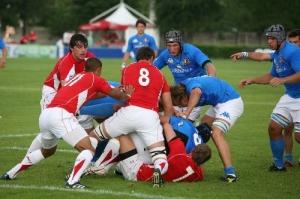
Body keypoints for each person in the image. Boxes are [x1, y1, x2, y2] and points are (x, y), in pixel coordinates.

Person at [1, 58, 131, 189]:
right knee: (89, 148)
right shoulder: (95, 78)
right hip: (61, 115)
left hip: (46, 115)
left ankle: (11, 173)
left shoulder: (78, 76)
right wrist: (127, 94)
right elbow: (118, 95)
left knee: (47, 151)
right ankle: (72, 182)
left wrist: (108, 93)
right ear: (98, 70)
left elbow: (93, 95)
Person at [89, 47, 174, 186]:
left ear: (137, 57)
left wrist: (120, 107)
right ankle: (158, 170)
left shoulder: (127, 69)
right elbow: (169, 106)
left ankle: (90, 165)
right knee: (159, 155)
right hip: (150, 116)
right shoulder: (160, 75)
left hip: (129, 113)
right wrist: (166, 120)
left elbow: (125, 95)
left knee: (95, 136)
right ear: (152, 58)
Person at [230, 28, 300, 167]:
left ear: (280, 39)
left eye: (272, 39)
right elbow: (270, 74)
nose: (269, 41)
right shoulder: (277, 54)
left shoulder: (293, 51)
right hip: (290, 97)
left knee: (298, 137)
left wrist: (283, 80)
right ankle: (278, 165)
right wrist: (252, 80)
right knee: (274, 128)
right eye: (268, 38)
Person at [26, 33, 95, 158]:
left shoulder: (89, 58)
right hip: (53, 92)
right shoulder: (66, 63)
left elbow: (95, 75)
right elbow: (67, 88)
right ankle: (28, 157)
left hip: (71, 92)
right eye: (79, 47)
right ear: (71, 48)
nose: (83, 50)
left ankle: (92, 160)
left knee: (86, 123)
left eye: (85, 47)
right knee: (50, 131)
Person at [170, 76, 244, 182]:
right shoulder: (181, 89)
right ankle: (188, 163)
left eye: (181, 104)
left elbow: (197, 92)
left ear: (184, 97)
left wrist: (186, 113)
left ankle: (230, 174)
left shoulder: (191, 86)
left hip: (230, 102)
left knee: (216, 133)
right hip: (217, 104)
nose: (182, 106)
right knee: (202, 130)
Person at [154, 30, 217, 121]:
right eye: (169, 46)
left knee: (186, 122)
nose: (172, 49)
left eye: (175, 45)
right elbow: (151, 69)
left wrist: (211, 79)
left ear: (180, 44)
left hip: (195, 91)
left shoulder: (191, 51)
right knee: (171, 120)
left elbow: (208, 65)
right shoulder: (165, 54)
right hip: (178, 92)